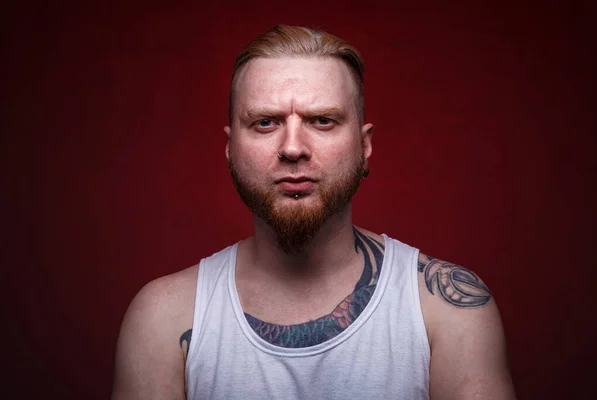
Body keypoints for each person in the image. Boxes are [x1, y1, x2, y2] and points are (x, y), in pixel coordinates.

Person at [112, 24, 516, 400]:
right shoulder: (162, 319)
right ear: (230, 147)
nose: (292, 147)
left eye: (322, 121)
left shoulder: (448, 309)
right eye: (266, 122)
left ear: (364, 145)